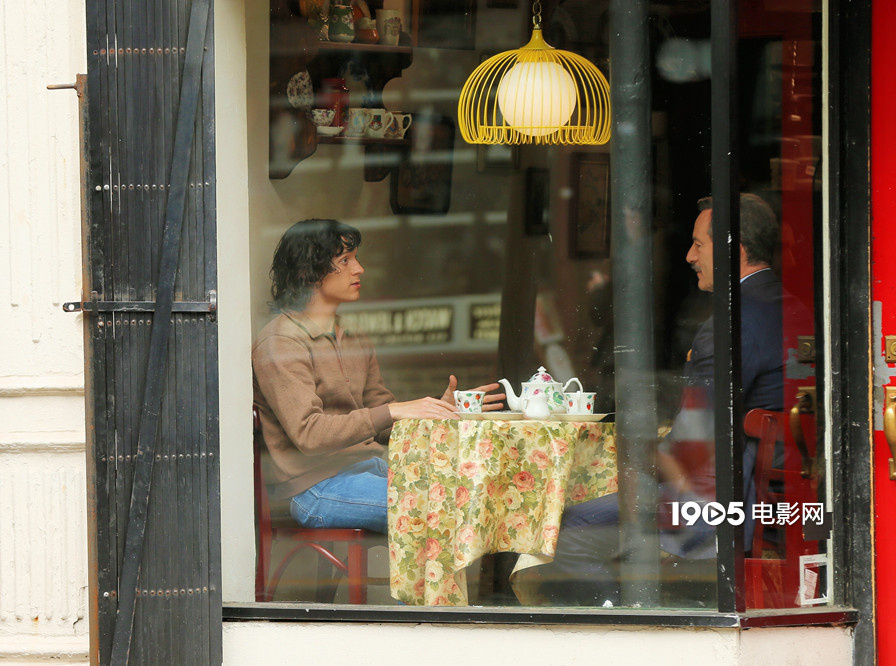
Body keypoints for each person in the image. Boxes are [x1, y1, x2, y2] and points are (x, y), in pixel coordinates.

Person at [537, 193, 785, 606]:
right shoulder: (790, 305)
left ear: (731, 250)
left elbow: (692, 449)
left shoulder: (731, 321)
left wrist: (639, 453)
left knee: (572, 532)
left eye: (699, 245)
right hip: (779, 495)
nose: (689, 255)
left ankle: (631, 626)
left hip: (725, 503)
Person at [252, 218, 501, 533]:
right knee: (450, 505)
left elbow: (384, 427)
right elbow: (310, 435)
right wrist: (395, 409)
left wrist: (438, 412)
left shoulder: (354, 337)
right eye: (345, 260)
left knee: (482, 491)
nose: (359, 269)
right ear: (308, 272)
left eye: (355, 258)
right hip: (317, 488)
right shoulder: (281, 341)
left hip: (371, 469)